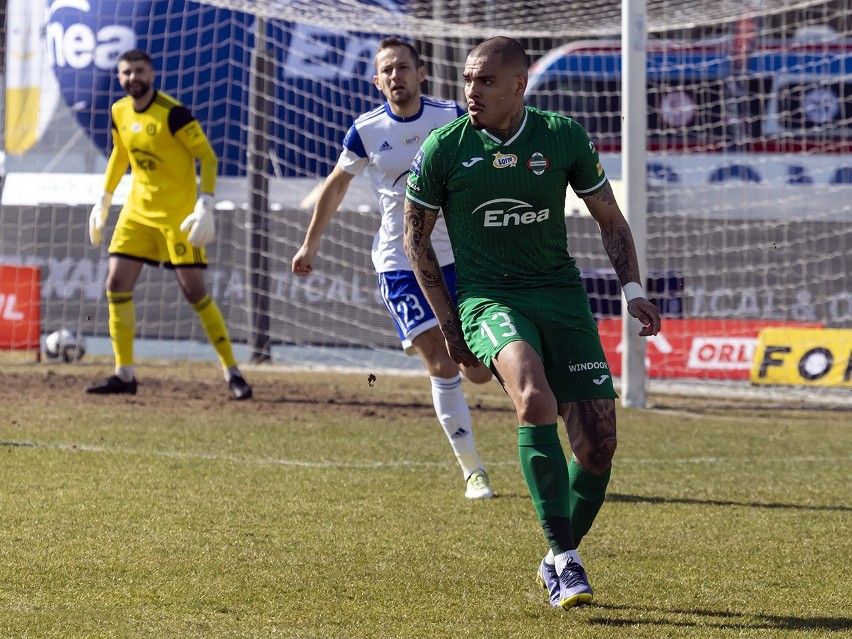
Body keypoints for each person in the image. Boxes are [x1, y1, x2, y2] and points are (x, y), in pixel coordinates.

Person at [403, 36, 662, 608]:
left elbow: (610, 221)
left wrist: (634, 290)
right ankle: (568, 562)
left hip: (562, 297)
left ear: (518, 86)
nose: (472, 91)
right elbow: (414, 241)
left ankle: (552, 557)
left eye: (486, 81)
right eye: (468, 80)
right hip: (488, 300)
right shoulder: (444, 148)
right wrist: (449, 325)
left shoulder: (562, 136)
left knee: (598, 449)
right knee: (534, 398)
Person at [292, 37, 494, 499]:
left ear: (421, 73)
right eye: (387, 70)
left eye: (403, 67)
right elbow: (335, 185)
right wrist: (310, 244)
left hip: (456, 260)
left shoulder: (451, 117)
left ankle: (456, 352)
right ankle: (473, 471)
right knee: (442, 363)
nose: (396, 76)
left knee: (478, 370)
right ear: (376, 80)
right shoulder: (365, 130)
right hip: (399, 264)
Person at [85, 49, 252, 400]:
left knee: (194, 291)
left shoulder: (173, 113)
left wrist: (205, 203)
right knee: (115, 283)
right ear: (120, 77)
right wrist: (104, 198)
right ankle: (124, 373)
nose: (133, 78)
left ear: (152, 74)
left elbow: (207, 156)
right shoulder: (118, 111)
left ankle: (232, 370)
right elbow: (121, 153)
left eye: (139, 71)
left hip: (179, 217)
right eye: (126, 72)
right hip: (137, 214)